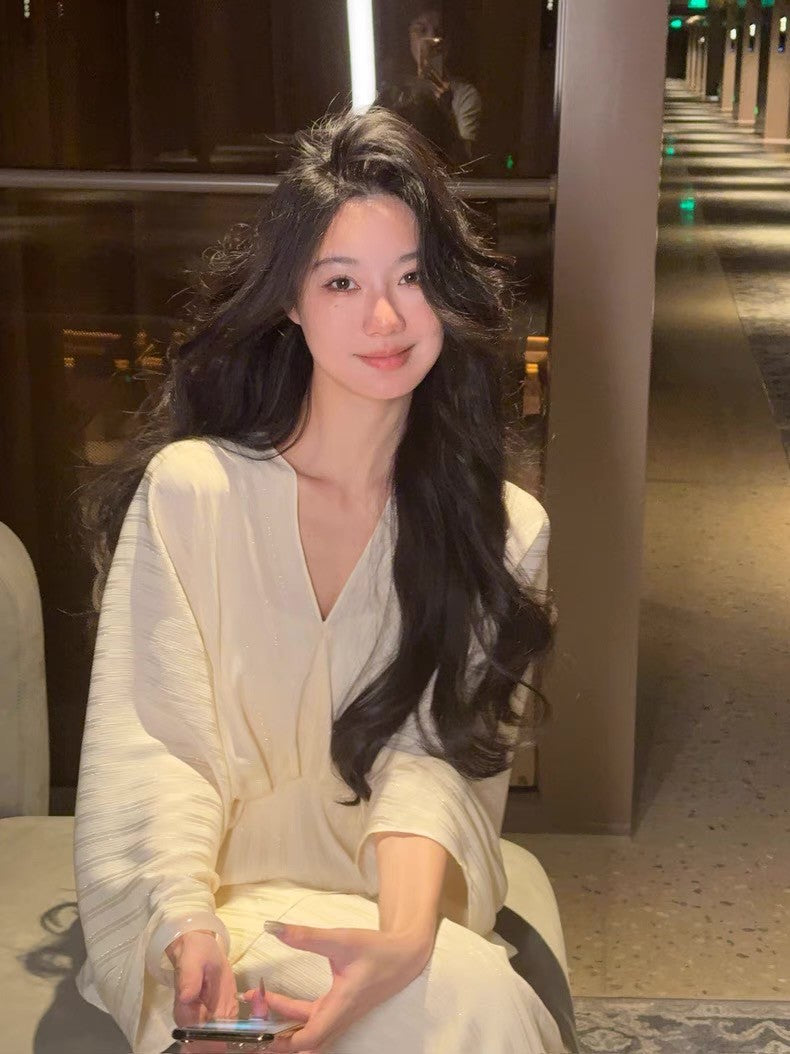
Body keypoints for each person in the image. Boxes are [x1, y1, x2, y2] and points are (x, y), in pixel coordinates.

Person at [73, 107, 564, 1053]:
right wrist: (185, 924)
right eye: (342, 282)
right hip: (214, 918)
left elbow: (437, 759)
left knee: (469, 1003)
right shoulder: (195, 492)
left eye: (412, 278)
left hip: (398, 910)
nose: (384, 318)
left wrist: (404, 941)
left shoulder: (502, 529)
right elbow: (158, 743)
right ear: (291, 302)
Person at [407, 7, 482, 160]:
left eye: (439, 32)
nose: (431, 38)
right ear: (410, 37)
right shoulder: (397, 91)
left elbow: (464, 160)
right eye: (421, 30)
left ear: (447, 44)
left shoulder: (464, 95)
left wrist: (446, 110)